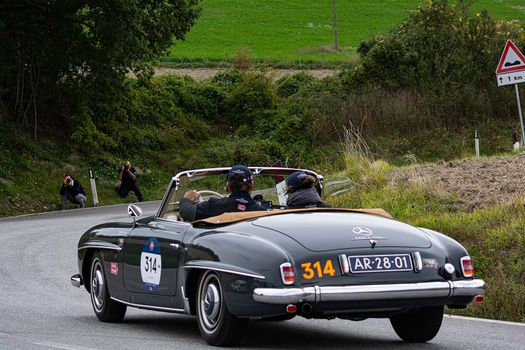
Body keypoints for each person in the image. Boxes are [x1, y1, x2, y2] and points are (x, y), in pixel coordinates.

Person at [179, 165, 266, 221]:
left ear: (228, 185)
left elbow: (186, 212)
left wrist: (187, 198)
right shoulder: (262, 212)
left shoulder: (214, 205)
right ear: (251, 185)